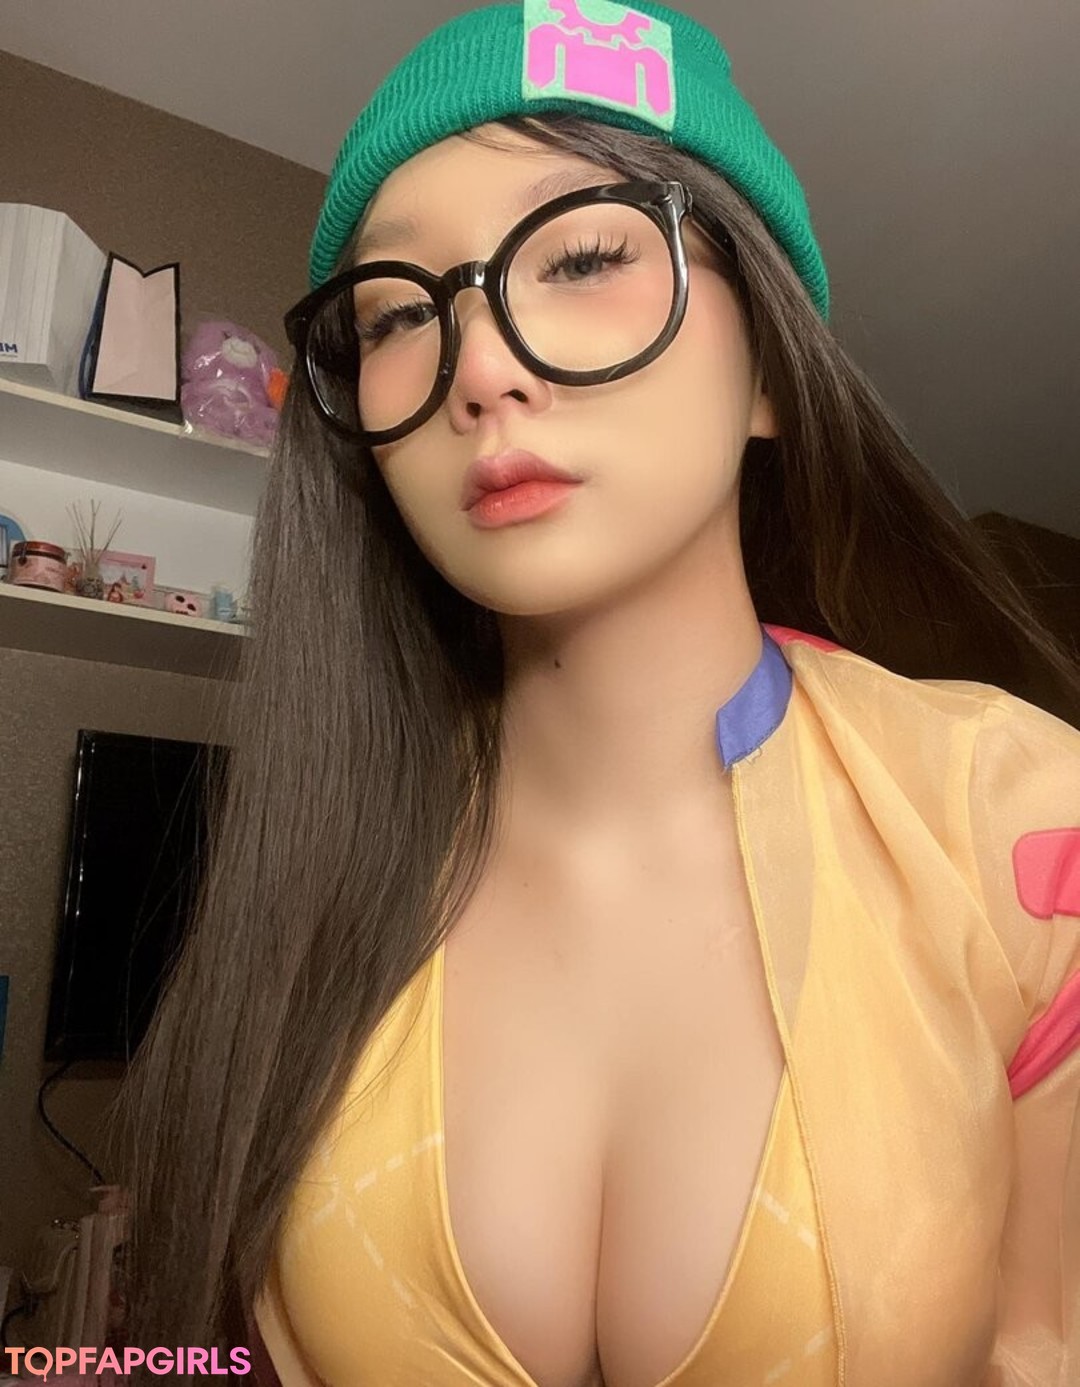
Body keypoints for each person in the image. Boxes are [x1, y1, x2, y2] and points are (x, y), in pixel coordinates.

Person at [108, 3, 1080, 1384]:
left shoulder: (1017, 825)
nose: (482, 369)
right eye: (398, 315)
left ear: (770, 366)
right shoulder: (321, 863)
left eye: (581, 256)